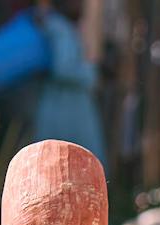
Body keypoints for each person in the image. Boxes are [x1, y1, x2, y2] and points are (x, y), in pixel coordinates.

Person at [30, 0, 107, 164]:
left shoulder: (54, 25)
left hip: (59, 104)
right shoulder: (60, 29)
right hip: (67, 106)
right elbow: (63, 68)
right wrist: (91, 73)